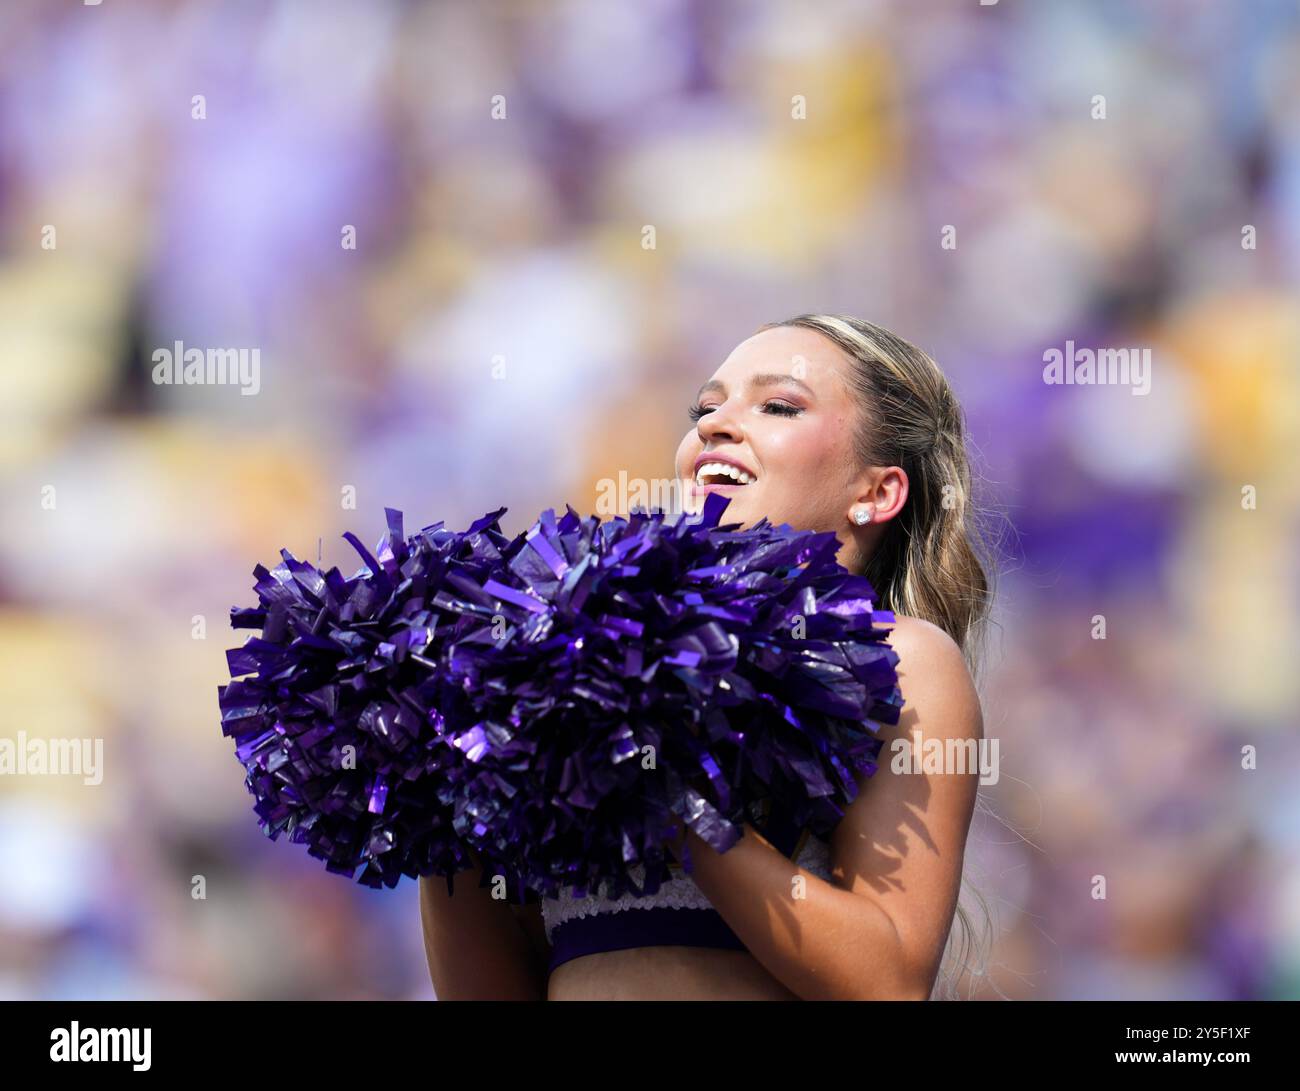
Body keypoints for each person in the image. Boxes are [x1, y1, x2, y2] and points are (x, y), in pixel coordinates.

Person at [420, 313, 996, 1000]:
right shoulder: (581, 658)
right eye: (705, 407)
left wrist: (671, 795)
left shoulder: (900, 657)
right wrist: (442, 786)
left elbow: (887, 980)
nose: (716, 424)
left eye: (778, 405)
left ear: (877, 492)